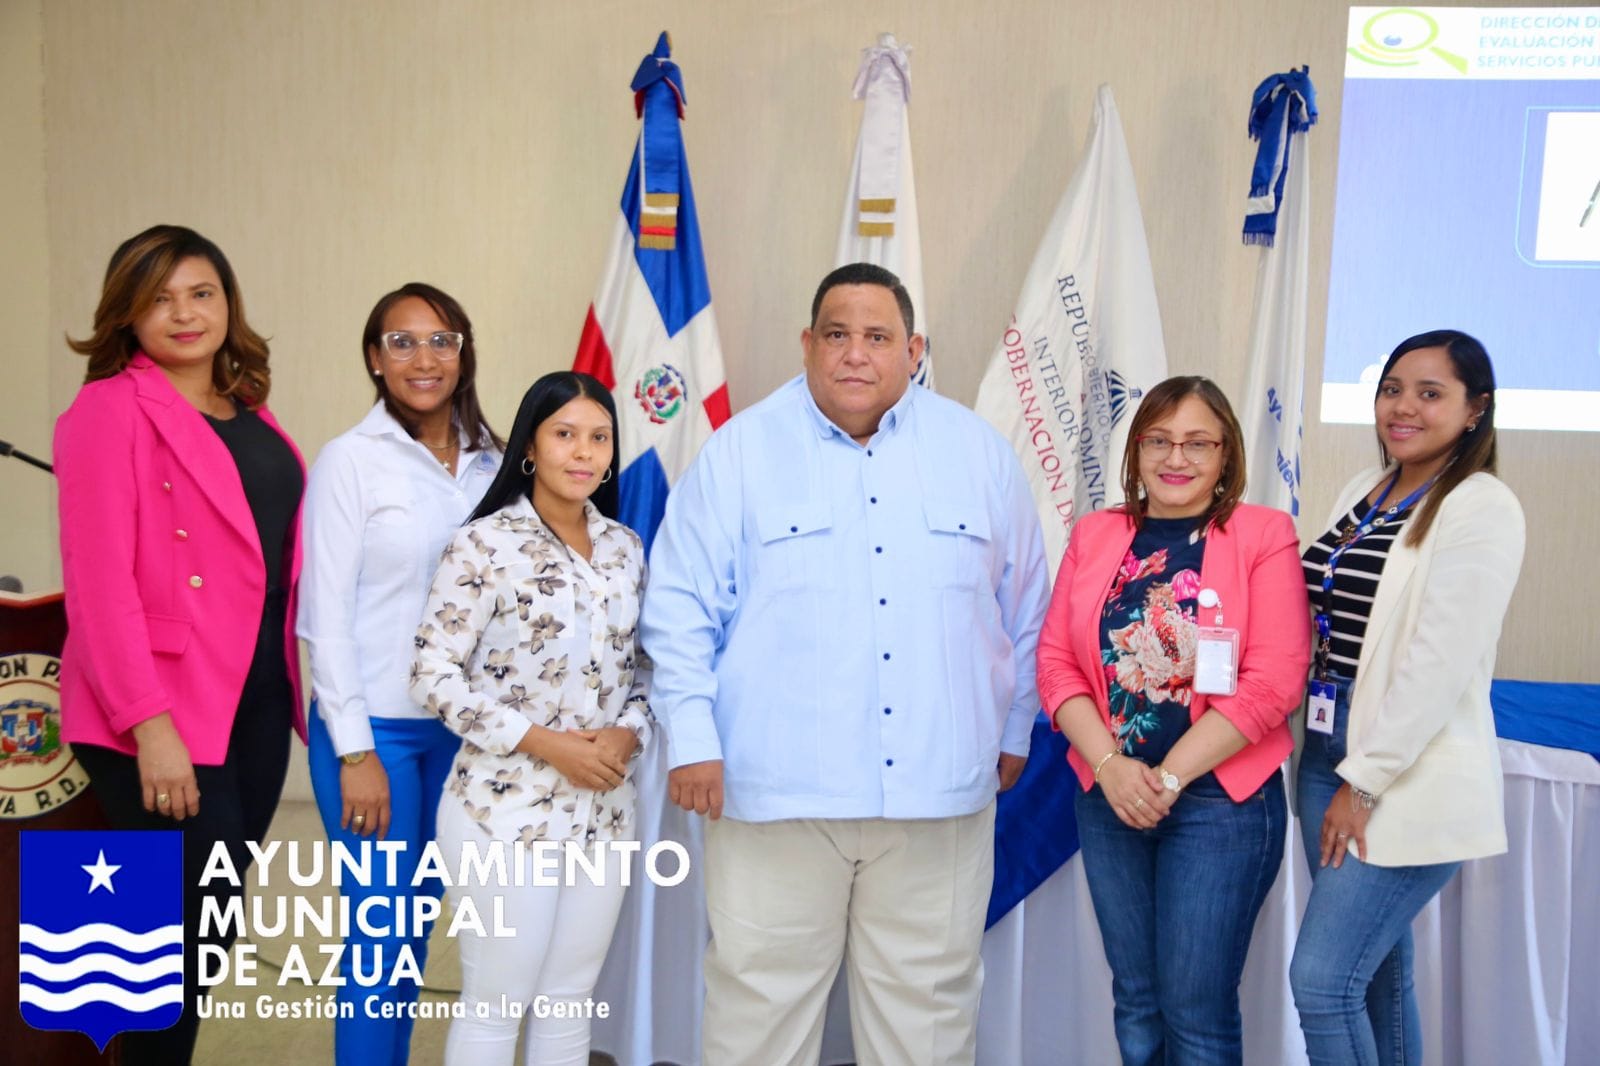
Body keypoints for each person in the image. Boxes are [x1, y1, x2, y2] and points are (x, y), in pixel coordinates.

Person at [641, 263, 1050, 1066]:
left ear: (914, 350)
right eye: (836, 334)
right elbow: (680, 606)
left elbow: (1026, 604)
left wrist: (1015, 728)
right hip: (776, 795)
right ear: (807, 344)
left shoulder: (978, 453)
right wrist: (691, 738)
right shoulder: (740, 452)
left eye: (877, 336)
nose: (855, 353)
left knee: (928, 1022)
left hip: (939, 795)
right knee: (758, 1016)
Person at [55, 224, 306, 1064]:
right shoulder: (107, 409)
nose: (185, 313)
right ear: (126, 313)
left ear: (228, 303)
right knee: (156, 949)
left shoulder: (248, 410)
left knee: (206, 936)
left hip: (254, 699)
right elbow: (98, 584)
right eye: (159, 298)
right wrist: (148, 724)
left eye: (202, 293)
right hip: (158, 709)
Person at [1036, 375, 1311, 1066]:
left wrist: (1165, 778)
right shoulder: (1096, 533)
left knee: (1196, 1013)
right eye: (1158, 440)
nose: (1176, 457)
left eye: (1197, 442)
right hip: (1110, 800)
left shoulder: (1262, 534)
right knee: (1137, 1001)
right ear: (1135, 450)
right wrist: (1110, 768)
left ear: (1226, 454)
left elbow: (1275, 682)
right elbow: (1056, 663)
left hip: (1220, 805)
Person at [1289, 330, 1524, 1066]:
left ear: (1475, 409)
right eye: (1392, 389)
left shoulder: (1481, 505)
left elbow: (1438, 664)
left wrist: (1364, 781)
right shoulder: (1366, 486)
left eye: (1430, 393)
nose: (1403, 407)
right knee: (1379, 981)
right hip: (1324, 749)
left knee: (1322, 982)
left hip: (1399, 769)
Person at [413, 371, 652, 1066]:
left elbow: (643, 671)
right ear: (529, 447)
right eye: (564, 434)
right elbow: (432, 675)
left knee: (568, 1002)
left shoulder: (626, 548)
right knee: (496, 1004)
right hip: (502, 811)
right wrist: (548, 744)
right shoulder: (483, 544)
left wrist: (629, 732)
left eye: (599, 437)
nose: (583, 452)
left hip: (604, 812)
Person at [297, 282, 503, 1063]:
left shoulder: (495, 463)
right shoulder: (350, 461)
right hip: (374, 730)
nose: (424, 358)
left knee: (418, 932)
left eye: (441, 340)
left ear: (464, 353)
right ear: (375, 359)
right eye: (402, 342)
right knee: (380, 936)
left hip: (462, 734)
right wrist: (355, 751)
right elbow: (324, 616)